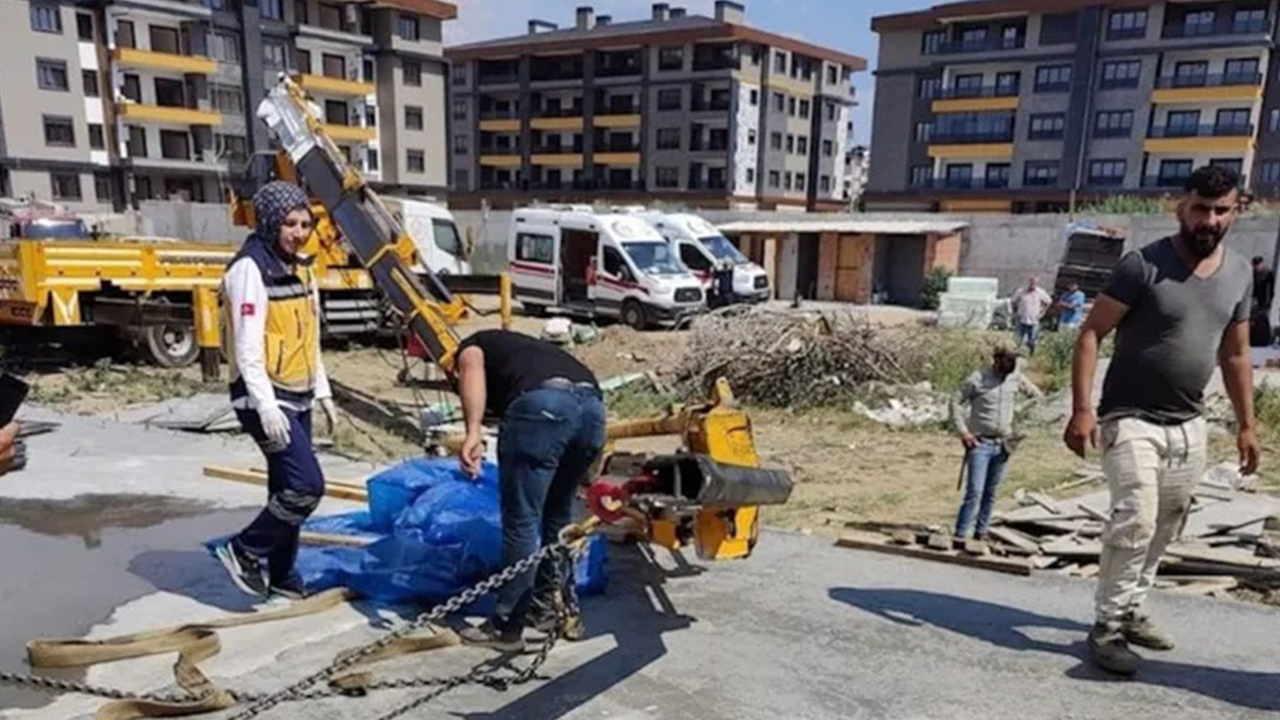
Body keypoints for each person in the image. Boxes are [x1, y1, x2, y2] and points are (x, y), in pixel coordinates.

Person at [1064, 165, 1259, 676]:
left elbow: (1236, 356)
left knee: (1165, 526)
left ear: (1236, 211)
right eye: (1200, 208)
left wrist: (1247, 425)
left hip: (1188, 422)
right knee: (1135, 518)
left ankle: (1130, 609)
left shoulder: (1239, 274)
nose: (1209, 220)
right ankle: (1106, 628)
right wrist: (1082, 409)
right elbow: (1090, 334)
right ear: (1180, 206)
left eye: (1221, 210)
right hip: (1129, 417)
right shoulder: (1141, 265)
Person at [214, 181, 338, 600]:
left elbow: (310, 335)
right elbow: (248, 347)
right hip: (263, 396)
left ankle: (282, 575)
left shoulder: (301, 267)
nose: (298, 232)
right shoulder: (249, 269)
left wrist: (322, 392)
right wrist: (265, 406)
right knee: (307, 485)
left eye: (305, 224)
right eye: (289, 223)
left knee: (284, 486)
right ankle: (244, 549)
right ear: (269, 222)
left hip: (298, 391)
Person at [454, 330, 606, 651]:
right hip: (593, 411)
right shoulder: (532, 351)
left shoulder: (473, 344)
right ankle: (547, 610)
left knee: (522, 520)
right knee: (558, 515)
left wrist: (472, 432)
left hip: (544, 407)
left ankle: (507, 626)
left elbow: (470, 366)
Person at [950, 347, 1042, 540]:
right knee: (974, 491)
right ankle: (960, 533)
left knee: (991, 492)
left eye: (1014, 360)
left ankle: (981, 532)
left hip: (1003, 444)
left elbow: (1037, 397)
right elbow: (955, 401)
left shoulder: (1015, 378)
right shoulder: (978, 379)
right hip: (980, 443)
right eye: (1008, 360)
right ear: (997, 360)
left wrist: (1019, 415)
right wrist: (964, 432)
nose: (1012, 364)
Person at [1010, 276, 1052, 355]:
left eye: (1035, 283)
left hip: (1034, 320)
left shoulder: (1040, 292)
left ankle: (1030, 355)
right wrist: (1015, 312)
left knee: (1032, 340)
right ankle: (1016, 354)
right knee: (1018, 338)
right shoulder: (1021, 291)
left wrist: (1043, 312)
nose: (1033, 284)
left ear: (1037, 284)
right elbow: (1013, 301)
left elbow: (1049, 301)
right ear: (1029, 282)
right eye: (1031, 282)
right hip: (1022, 318)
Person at [1250, 256, 1274, 346]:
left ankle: (1262, 336)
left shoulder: (1267, 274)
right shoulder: (1253, 274)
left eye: (1257, 265)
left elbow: (1269, 290)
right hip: (1254, 299)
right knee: (1253, 317)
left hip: (1263, 300)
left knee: (1262, 318)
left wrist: (1268, 302)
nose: (1256, 267)